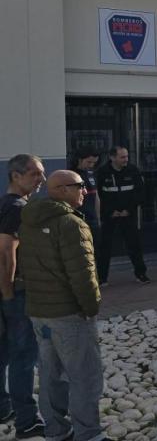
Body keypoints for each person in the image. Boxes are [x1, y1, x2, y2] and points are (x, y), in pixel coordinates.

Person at [18, 170, 105, 441]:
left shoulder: (29, 220)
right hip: (68, 313)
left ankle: (56, 430)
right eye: (80, 186)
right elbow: (82, 274)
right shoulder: (71, 223)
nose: (85, 191)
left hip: (40, 311)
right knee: (84, 375)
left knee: (50, 374)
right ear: (62, 190)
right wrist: (90, 308)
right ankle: (88, 433)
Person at [0, 155, 45, 436]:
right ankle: (27, 421)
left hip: (7, 291)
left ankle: (3, 406)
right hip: (15, 292)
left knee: (3, 351)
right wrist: (7, 295)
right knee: (22, 356)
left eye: (41, 173)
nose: (40, 179)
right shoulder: (17, 208)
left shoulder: (5, 204)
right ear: (16, 176)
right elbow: (6, 252)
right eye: (34, 174)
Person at [95, 146, 148, 285]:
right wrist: (109, 211)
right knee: (104, 247)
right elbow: (99, 195)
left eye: (127, 157)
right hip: (109, 216)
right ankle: (102, 278)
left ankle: (141, 273)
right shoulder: (102, 172)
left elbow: (140, 193)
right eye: (122, 157)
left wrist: (129, 210)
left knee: (134, 245)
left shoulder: (133, 171)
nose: (126, 160)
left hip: (128, 215)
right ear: (112, 158)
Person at [69, 148, 101, 246]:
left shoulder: (91, 174)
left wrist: (98, 218)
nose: (91, 165)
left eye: (94, 163)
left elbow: (96, 196)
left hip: (92, 218)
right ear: (80, 159)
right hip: (78, 217)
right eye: (89, 162)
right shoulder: (71, 174)